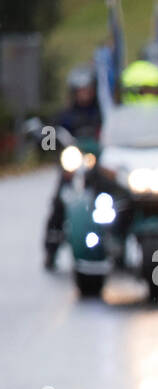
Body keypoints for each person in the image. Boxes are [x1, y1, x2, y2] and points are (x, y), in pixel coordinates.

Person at [43, 67, 103, 269]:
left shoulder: (102, 115)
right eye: (80, 90)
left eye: (87, 90)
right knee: (59, 200)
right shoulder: (65, 116)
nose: (84, 94)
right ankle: (51, 246)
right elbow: (50, 137)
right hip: (72, 167)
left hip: (97, 167)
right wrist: (46, 141)